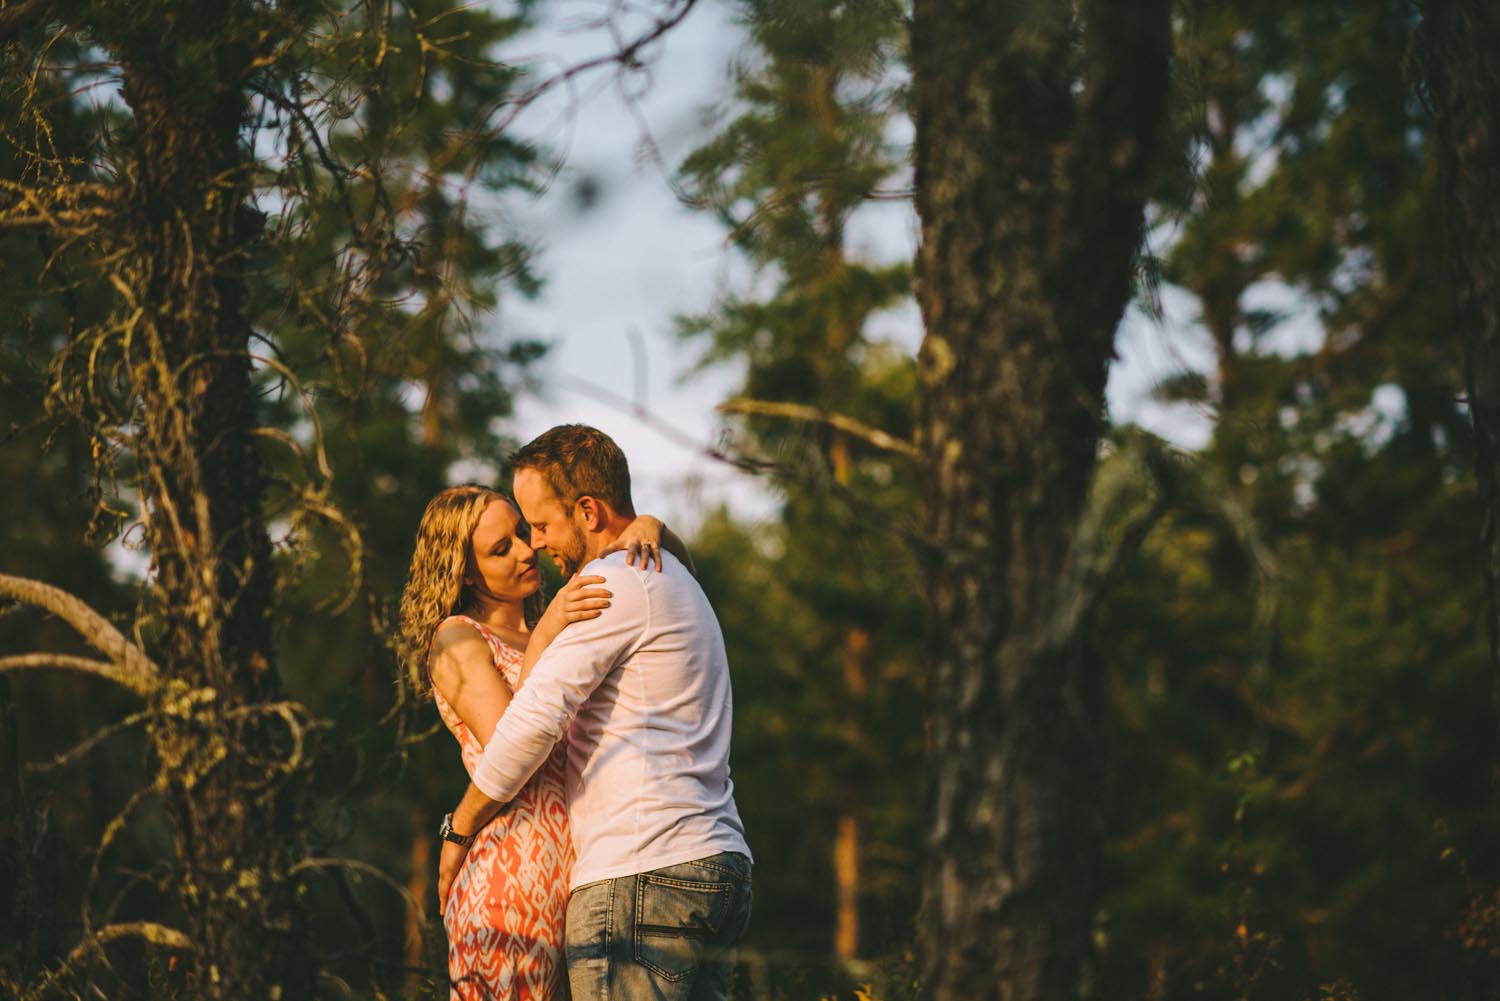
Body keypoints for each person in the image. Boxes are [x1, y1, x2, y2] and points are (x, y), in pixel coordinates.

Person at [436, 425, 753, 1001]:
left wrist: (457, 828)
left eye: (539, 525)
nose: (535, 544)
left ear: (587, 510)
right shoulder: (669, 575)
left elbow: (528, 727)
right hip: (716, 864)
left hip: (643, 875)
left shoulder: (608, 585)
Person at [399, 484, 688, 999]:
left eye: (520, 533)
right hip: (510, 882)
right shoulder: (458, 638)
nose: (526, 550)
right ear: (465, 572)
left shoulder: (552, 626)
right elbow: (515, 742)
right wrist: (549, 627)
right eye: (500, 549)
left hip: (580, 880)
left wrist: (653, 530)